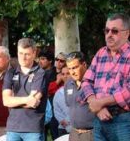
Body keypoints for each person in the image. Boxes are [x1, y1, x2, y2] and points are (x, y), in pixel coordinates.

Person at [79, 13, 130, 141]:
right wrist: (97, 106)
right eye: (107, 30)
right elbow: (86, 81)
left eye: (114, 31)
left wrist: (100, 103)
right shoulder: (101, 53)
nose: (109, 35)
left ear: (127, 33)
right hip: (99, 119)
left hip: (124, 121)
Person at [2, 38, 49, 141]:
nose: (23, 58)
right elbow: (6, 101)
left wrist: (14, 100)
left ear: (34, 53)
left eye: (27, 54)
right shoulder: (11, 72)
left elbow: (33, 103)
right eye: (20, 53)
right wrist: (27, 99)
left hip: (33, 129)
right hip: (13, 128)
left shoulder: (40, 73)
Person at [65, 51, 95, 141]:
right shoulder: (68, 83)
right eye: (69, 69)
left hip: (92, 133)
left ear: (84, 64)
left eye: (74, 68)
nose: (72, 72)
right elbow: (69, 105)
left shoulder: (94, 81)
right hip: (74, 133)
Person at [53, 66, 71, 136]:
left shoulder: (80, 89)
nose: (65, 76)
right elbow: (56, 110)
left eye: (68, 73)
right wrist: (62, 121)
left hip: (78, 128)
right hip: (63, 128)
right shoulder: (58, 93)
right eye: (63, 74)